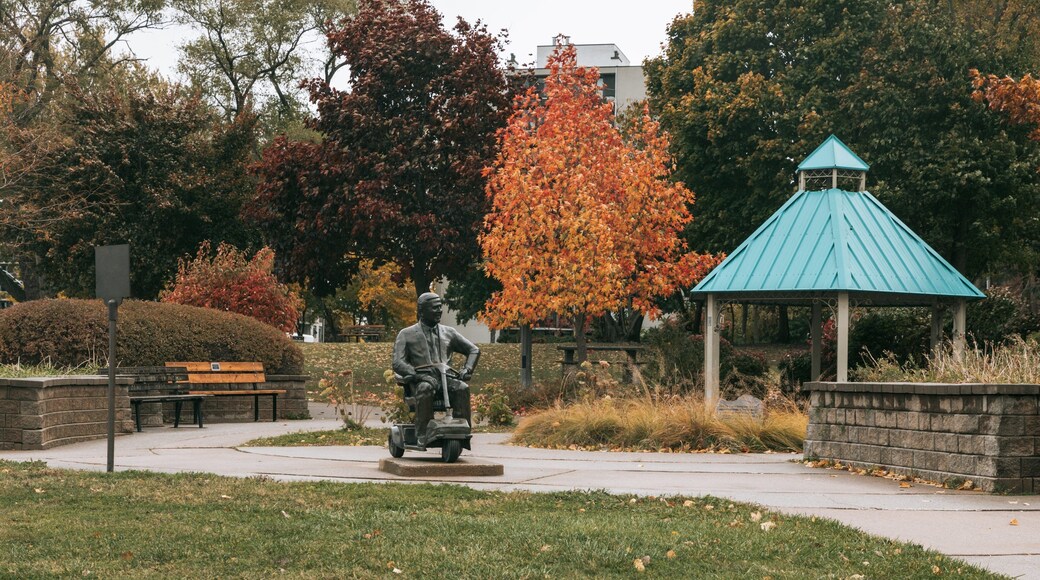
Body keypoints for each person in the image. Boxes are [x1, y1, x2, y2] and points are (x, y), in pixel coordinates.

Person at [392, 292, 480, 445]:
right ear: (421, 311)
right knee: (425, 388)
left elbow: (474, 350)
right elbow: (398, 362)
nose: (439, 311)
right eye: (435, 308)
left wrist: (467, 369)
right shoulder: (406, 334)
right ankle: (423, 434)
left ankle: (462, 432)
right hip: (420, 380)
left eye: (440, 307)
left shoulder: (449, 332)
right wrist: (416, 374)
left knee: (462, 388)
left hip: (446, 378)